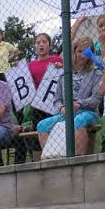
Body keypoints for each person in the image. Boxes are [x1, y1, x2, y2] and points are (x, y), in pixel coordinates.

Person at [36, 37, 101, 156]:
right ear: (74, 52)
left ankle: (78, 158)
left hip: (88, 112)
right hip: (67, 113)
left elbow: (96, 99)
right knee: (42, 126)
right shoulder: (64, 73)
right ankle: (53, 159)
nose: (82, 56)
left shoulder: (95, 73)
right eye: (79, 51)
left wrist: (79, 104)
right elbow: (57, 99)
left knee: (78, 121)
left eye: (86, 52)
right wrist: (62, 108)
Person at [26, 32, 64, 160]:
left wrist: (61, 67)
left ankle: (58, 156)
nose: (41, 45)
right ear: (35, 46)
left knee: (56, 130)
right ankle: (39, 161)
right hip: (38, 104)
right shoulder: (30, 65)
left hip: (55, 101)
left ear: (49, 45)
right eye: (38, 42)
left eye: (44, 42)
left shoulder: (57, 60)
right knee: (38, 131)